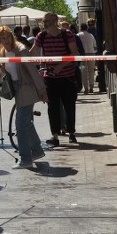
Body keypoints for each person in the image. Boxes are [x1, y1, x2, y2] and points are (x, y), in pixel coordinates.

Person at [0, 27, 48, 169]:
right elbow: (8, 72)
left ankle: (26, 159)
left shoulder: (21, 50)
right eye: (2, 37)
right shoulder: (3, 52)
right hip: (18, 89)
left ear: (12, 36)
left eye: (7, 36)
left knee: (20, 125)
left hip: (27, 88)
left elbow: (33, 71)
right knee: (27, 123)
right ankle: (37, 151)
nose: (5, 40)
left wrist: (42, 90)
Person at [30, 12, 79, 146]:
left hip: (67, 76)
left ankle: (71, 133)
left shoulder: (66, 34)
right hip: (50, 77)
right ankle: (55, 136)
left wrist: (60, 65)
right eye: (44, 21)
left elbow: (75, 53)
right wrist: (19, 55)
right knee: (53, 107)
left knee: (69, 105)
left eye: (48, 21)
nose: (45, 24)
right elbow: (33, 52)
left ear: (55, 21)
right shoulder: (42, 36)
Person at [77, 23, 98, 93]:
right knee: (91, 71)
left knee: (83, 72)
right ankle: (91, 86)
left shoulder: (78, 35)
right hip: (91, 55)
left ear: (81, 28)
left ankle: (86, 88)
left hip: (82, 56)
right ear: (87, 28)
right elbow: (95, 46)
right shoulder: (91, 35)